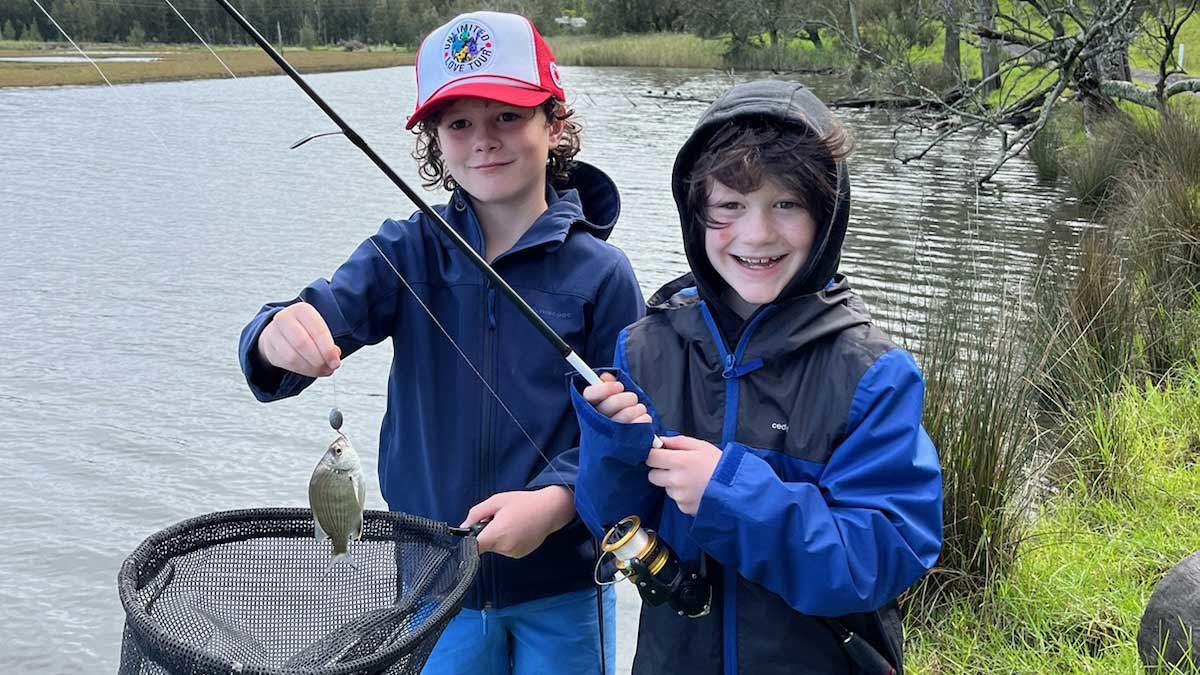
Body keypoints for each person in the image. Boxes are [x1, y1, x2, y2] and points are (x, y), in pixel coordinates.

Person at [237, 11, 642, 674]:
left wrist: (554, 502)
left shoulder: (604, 274)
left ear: (555, 124)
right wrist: (274, 335)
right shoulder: (407, 251)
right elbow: (315, 315)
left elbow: (622, 435)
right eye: (459, 123)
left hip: (565, 587)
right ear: (435, 142)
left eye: (507, 115)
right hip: (431, 584)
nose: (483, 140)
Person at [570, 79, 943, 675]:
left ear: (827, 216)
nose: (758, 234)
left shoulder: (874, 375)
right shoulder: (644, 348)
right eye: (730, 207)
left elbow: (880, 559)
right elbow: (610, 521)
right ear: (696, 217)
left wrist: (728, 493)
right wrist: (612, 447)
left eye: (786, 204)